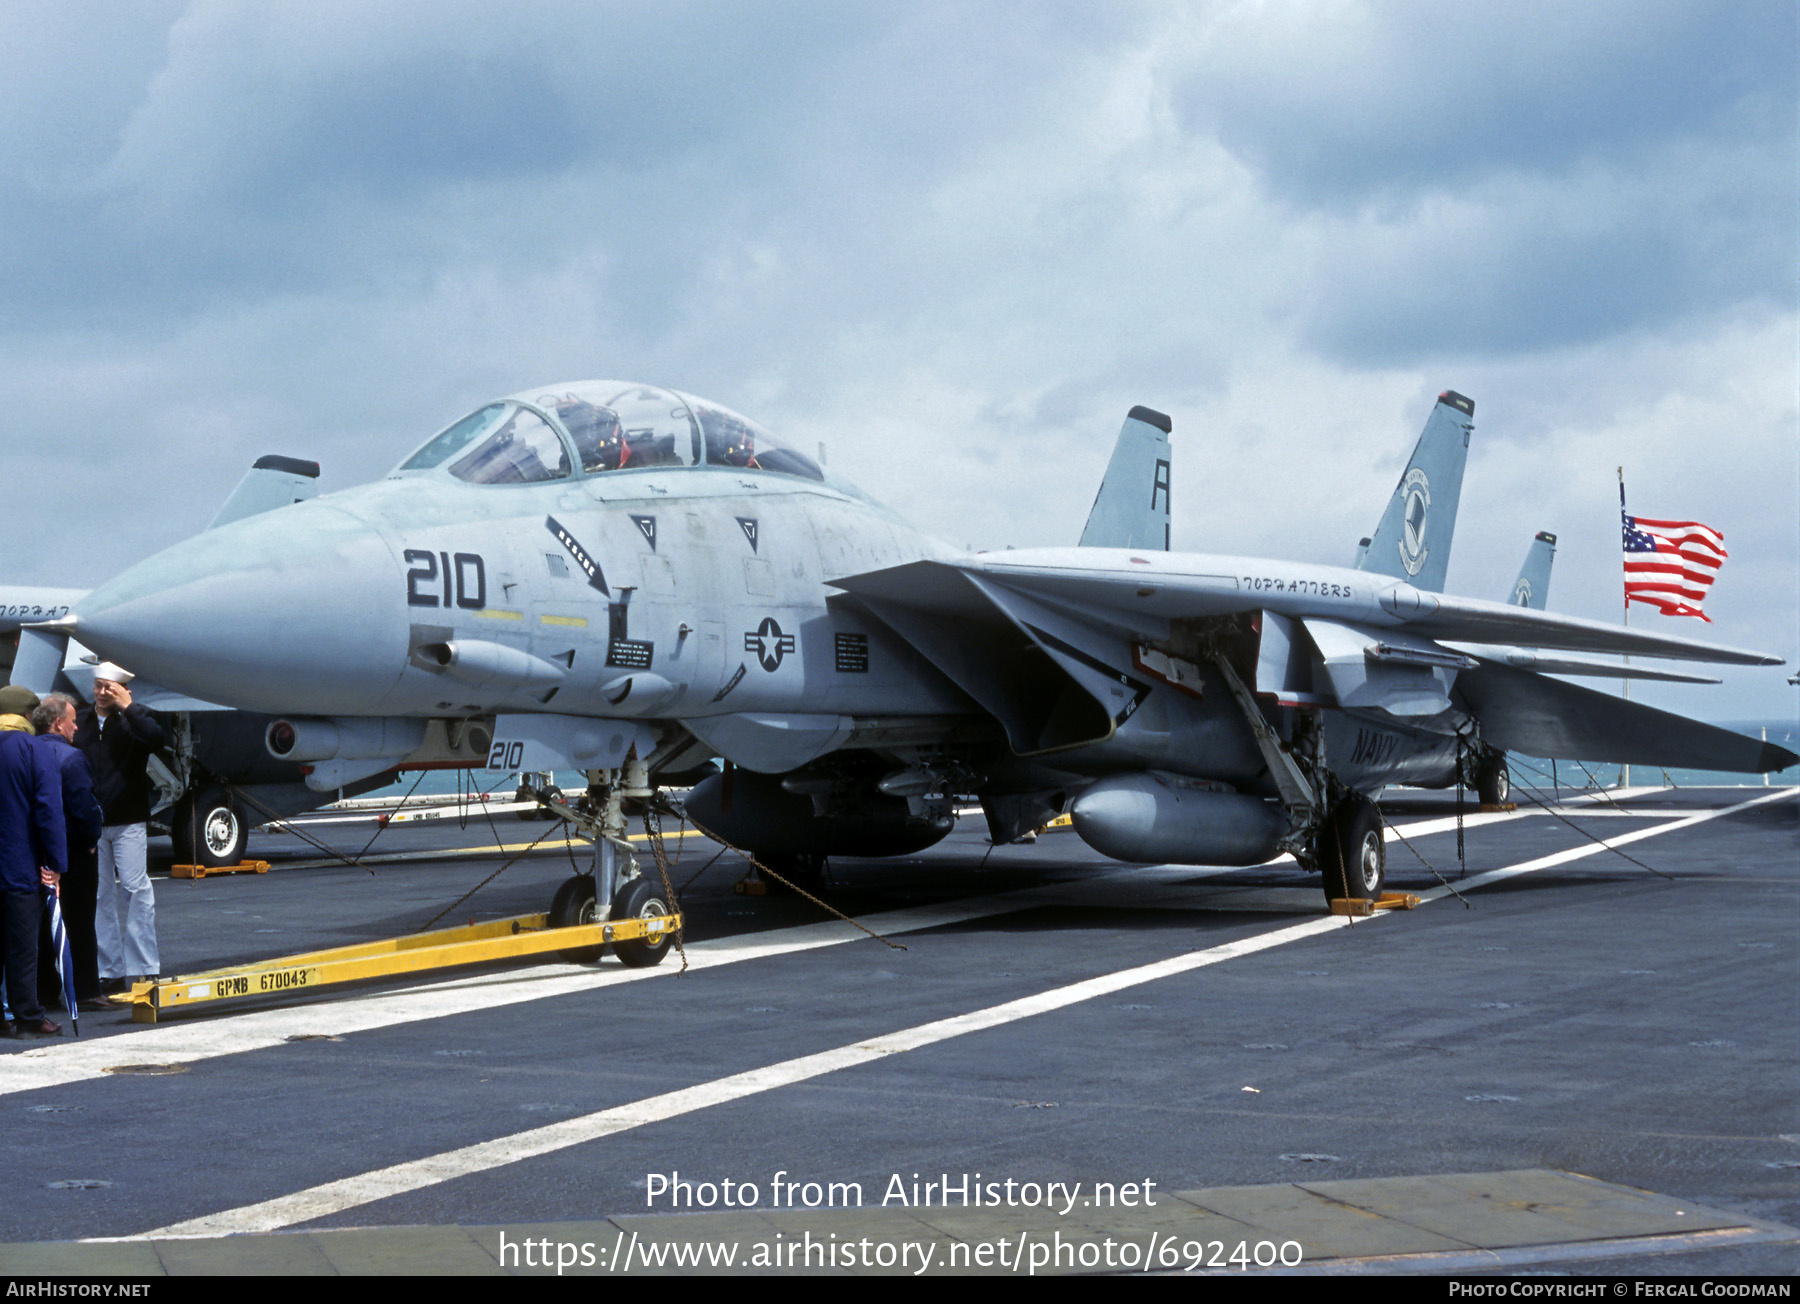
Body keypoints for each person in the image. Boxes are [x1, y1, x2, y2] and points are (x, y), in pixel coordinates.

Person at [73, 664, 164, 989]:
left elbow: (156, 737)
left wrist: (127, 706)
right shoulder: (81, 721)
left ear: (124, 690)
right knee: (100, 896)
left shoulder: (135, 722)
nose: (101, 693)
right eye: (98, 686)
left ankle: (144, 966)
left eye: (109, 688)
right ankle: (108, 971)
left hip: (128, 819)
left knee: (135, 889)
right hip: (92, 822)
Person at [31, 693, 109, 1010]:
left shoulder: (29, 753)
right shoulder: (72, 759)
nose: (77, 727)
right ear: (58, 722)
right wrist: (91, 840)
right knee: (79, 921)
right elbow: (85, 808)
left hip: (36, 854)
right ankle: (87, 991)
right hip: (74, 853)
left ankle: (45, 992)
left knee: (41, 925)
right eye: (73, 720)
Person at [0, 711, 65, 1037]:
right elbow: (48, 809)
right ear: (26, 715)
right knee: (23, 947)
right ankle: (29, 1015)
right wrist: (56, 863)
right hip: (19, 865)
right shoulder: (34, 749)